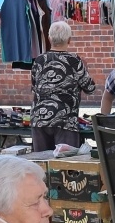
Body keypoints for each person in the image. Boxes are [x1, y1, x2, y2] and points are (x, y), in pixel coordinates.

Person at [28, 22, 95, 151]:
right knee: (64, 161)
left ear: (49, 39)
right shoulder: (74, 60)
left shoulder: (39, 60)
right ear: (69, 40)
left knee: (40, 160)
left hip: (39, 118)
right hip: (65, 120)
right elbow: (90, 88)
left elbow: (34, 86)